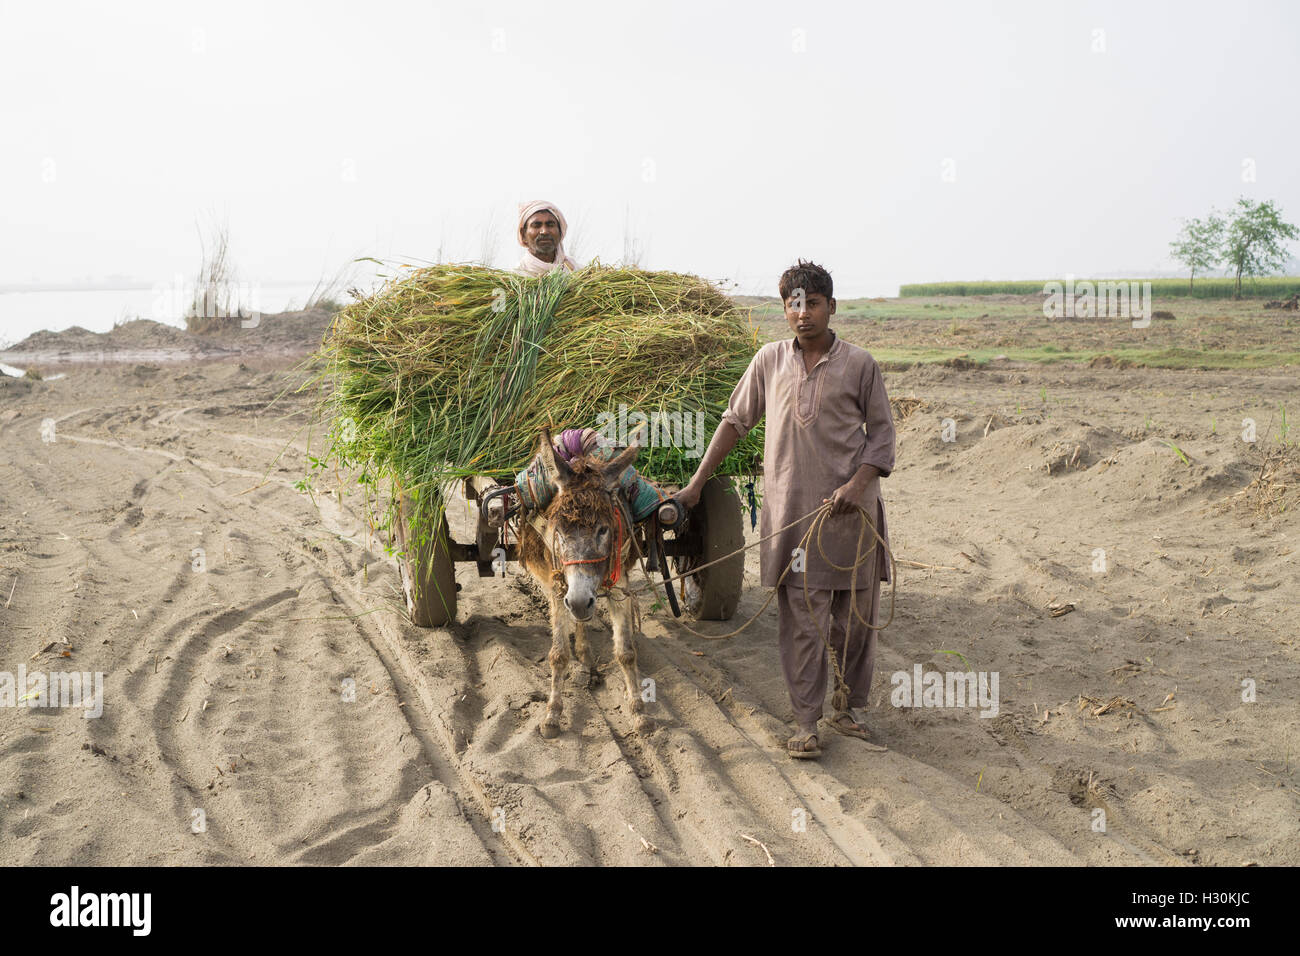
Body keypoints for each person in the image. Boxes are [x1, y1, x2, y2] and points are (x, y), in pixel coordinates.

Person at [675, 259, 896, 760]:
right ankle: (805, 722)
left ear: (831, 308)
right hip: (794, 519)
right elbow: (734, 422)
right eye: (793, 305)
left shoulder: (860, 365)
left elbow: (882, 435)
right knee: (803, 619)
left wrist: (858, 484)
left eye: (812, 303)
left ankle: (848, 708)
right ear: (784, 311)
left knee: (854, 620)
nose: (803, 314)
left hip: (852, 518)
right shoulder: (769, 361)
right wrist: (695, 486)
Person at [515, 200, 578, 276]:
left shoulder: (579, 273)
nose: (544, 231)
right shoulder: (517, 278)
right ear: (523, 234)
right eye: (536, 225)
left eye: (550, 225)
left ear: (560, 231)